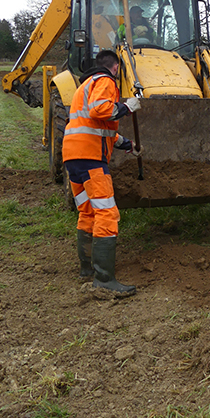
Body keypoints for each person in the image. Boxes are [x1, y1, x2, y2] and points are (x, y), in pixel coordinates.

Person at [62, 49, 142, 295]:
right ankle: (105, 279)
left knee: (87, 212)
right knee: (107, 213)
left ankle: (87, 269)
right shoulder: (105, 81)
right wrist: (127, 107)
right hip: (91, 159)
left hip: (73, 157)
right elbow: (102, 111)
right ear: (116, 68)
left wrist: (128, 145)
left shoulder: (84, 86)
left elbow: (97, 126)